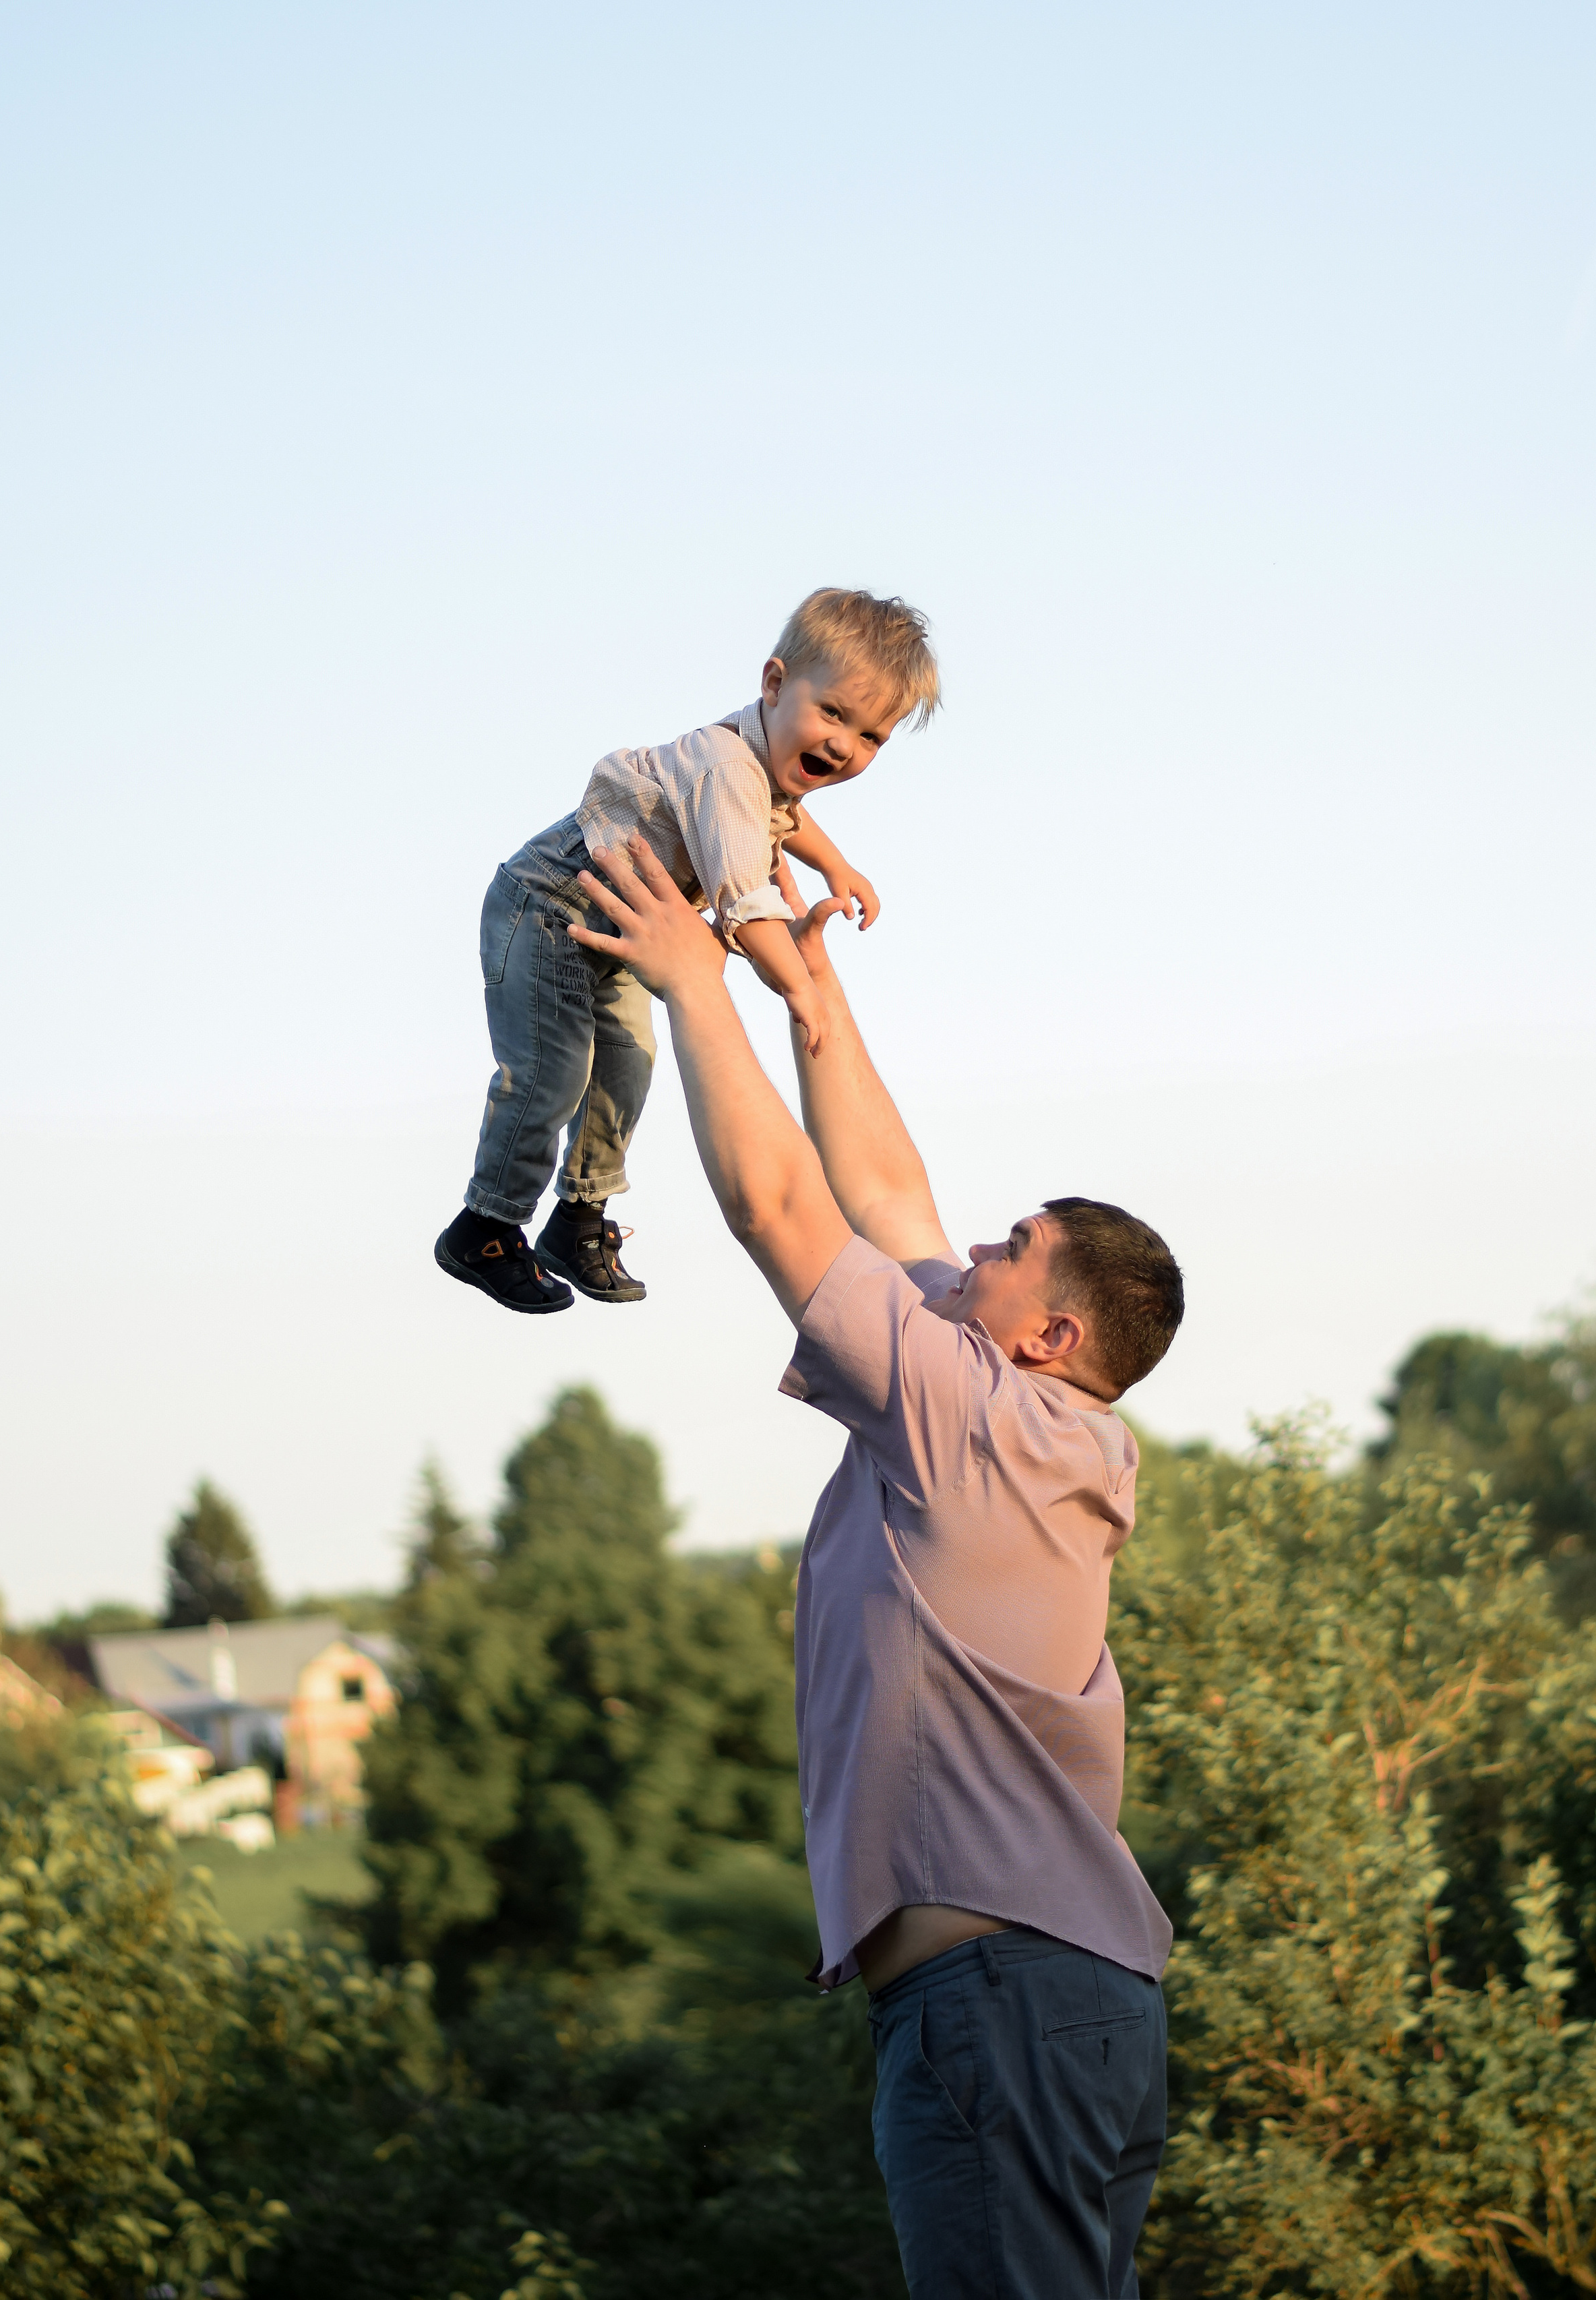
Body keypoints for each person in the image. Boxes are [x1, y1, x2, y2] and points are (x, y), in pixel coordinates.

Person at [566, 833, 1186, 2299]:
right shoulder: (1028, 1425)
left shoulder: (969, 1418)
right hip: (1069, 2000)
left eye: (1013, 1244)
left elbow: (785, 1213)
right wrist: (810, 1002)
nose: (974, 1239)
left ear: (1049, 1334)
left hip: (995, 2008)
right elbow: (889, 1197)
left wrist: (685, 980)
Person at [433, 586, 940, 1314]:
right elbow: (745, 897)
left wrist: (835, 865)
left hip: (619, 928)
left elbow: (780, 816)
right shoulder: (725, 767)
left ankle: (577, 1219)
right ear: (773, 683)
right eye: (832, 713)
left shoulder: (760, 765)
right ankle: (486, 1225)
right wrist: (798, 986)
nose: (842, 745)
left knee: (630, 1068)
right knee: (552, 1073)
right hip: (547, 907)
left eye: (870, 737)